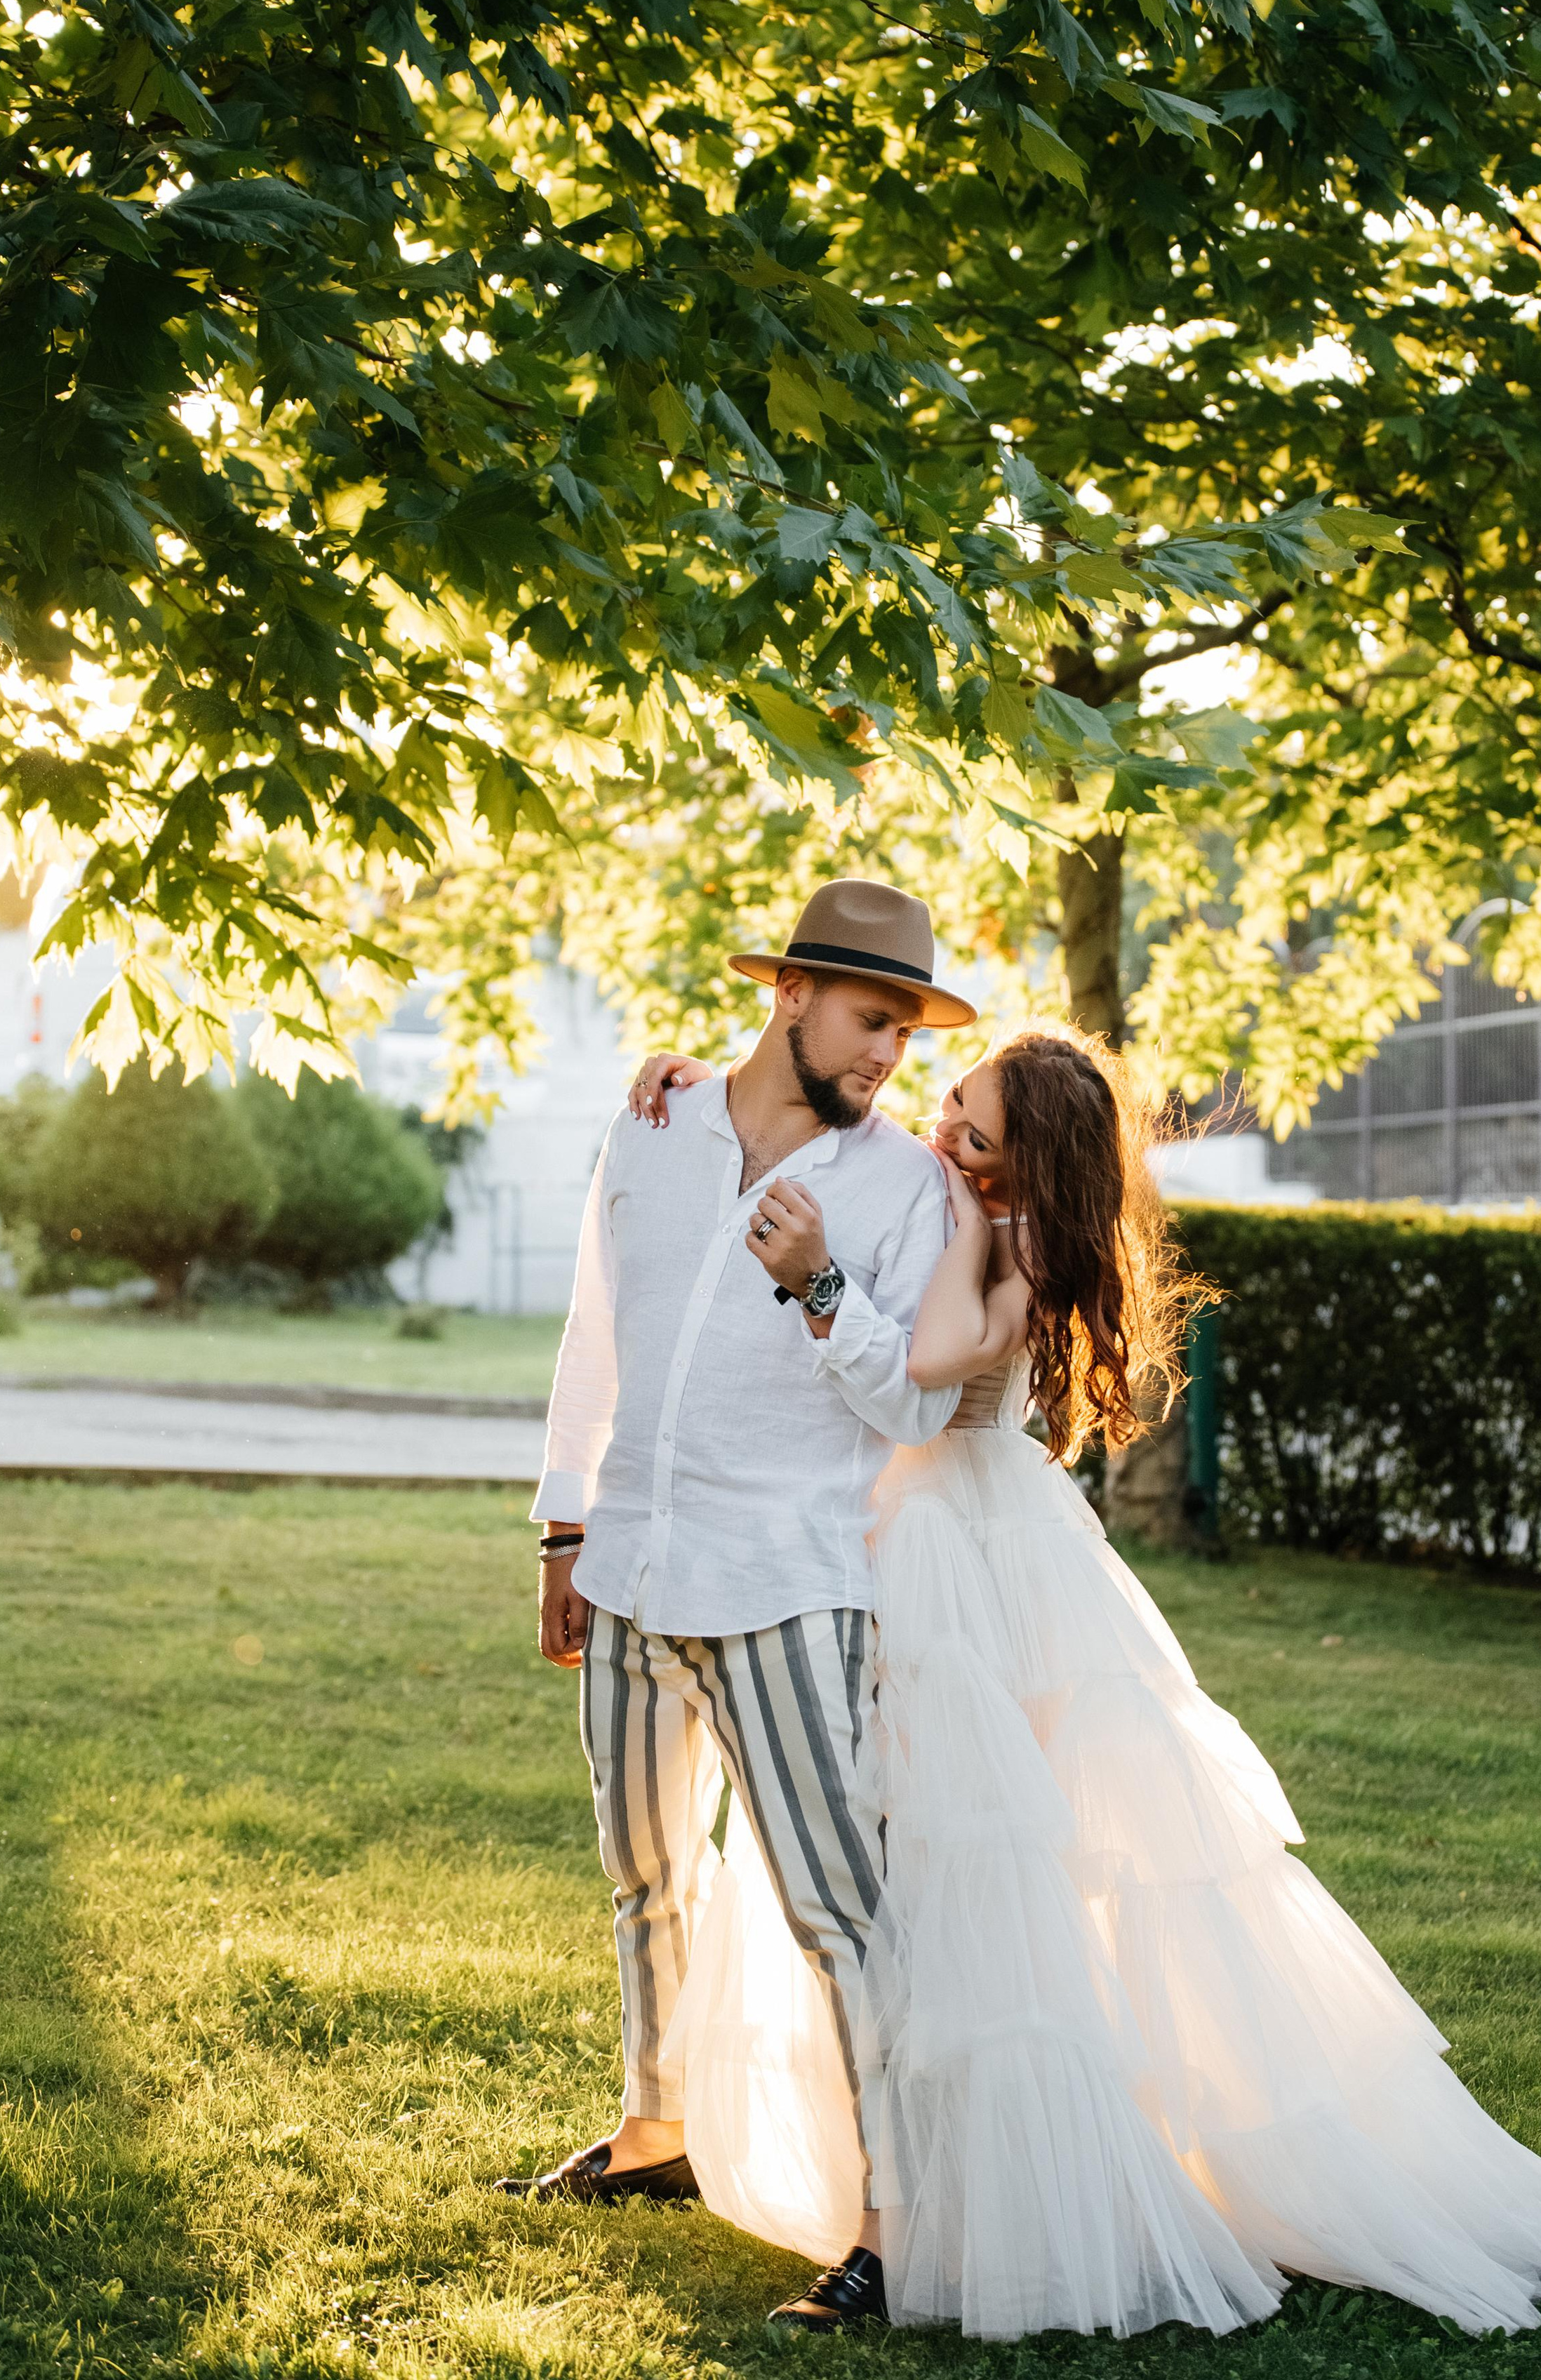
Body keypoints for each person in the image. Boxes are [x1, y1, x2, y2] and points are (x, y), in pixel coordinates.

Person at [627, 1023, 1541, 2341]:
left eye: (976, 1132)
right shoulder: (966, 1199)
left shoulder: (1014, 1247)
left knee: (982, 1863)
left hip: (966, 1561)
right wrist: (686, 1075)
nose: (945, 1134)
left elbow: (935, 1361)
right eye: (951, 1106)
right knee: (880, 1859)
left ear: (1027, 1167)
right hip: (898, 1535)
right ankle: (905, 2177)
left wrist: (925, 1227)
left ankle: (990, 2196)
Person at [498, 879, 978, 2334]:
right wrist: (563, 1524)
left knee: (841, 1910)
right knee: (643, 1874)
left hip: (789, 1582)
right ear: (789, 995)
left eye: (902, 1028)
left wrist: (820, 1278)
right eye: (868, 1019)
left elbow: (911, 1400)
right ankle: (655, 2131)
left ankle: (894, 2228)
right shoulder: (653, 1121)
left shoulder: (907, 1188)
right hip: (634, 1562)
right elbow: (598, 1331)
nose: (887, 1052)